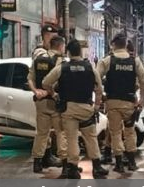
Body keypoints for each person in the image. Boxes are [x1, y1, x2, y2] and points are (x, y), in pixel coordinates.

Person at [43, 40, 108, 179]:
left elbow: (45, 82)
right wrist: (96, 106)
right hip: (86, 108)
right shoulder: (90, 67)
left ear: (69, 52)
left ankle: (73, 169)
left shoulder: (62, 67)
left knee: (71, 139)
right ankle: (96, 167)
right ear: (80, 52)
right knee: (91, 138)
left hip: (69, 109)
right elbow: (99, 88)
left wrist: (54, 94)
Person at [98, 33, 144, 173]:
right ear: (126, 45)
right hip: (129, 103)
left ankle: (119, 163)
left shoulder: (107, 61)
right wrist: (142, 99)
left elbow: (95, 78)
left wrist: (100, 96)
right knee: (130, 132)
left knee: (115, 133)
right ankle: (132, 162)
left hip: (112, 102)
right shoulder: (135, 61)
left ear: (113, 45)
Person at [28, 32, 66, 174]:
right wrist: (49, 92)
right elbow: (57, 81)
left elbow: (30, 78)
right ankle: (65, 161)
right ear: (61, 46)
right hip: (55, 102)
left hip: (40, 102)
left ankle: (37, 162)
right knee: (60, 132)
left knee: (41, 133)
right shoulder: (60, 61)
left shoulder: (38, 59)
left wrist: (36, 91)